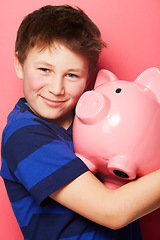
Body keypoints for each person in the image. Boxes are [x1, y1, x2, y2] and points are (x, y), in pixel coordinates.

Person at [0, 5, 160, 240]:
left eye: (72, 75)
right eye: (45, 69)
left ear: (89, 75)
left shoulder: (98, 120)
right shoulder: (23, 135)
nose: (56, 89)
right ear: (19, 64)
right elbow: (112, 211)